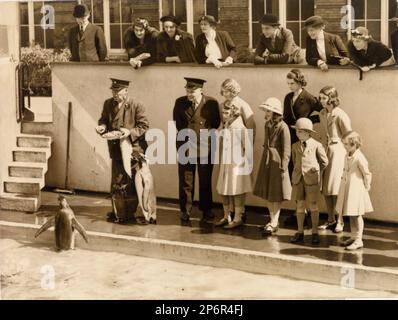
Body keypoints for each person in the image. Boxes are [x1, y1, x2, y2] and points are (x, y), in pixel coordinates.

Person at [95, 78, 149, 223]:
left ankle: (132, 212)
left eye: (117, 91)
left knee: (131, 181)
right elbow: (104, 120)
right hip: (116, 149)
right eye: (113, 91)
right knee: (116, 181)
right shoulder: (108, 104)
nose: (115, 94)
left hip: (133, 150)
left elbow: (143, 126)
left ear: (126, 91)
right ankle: (117, 211)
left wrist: (129, 133)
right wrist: (102, 127)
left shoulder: (136, 105)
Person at [173, 78, 221, 222]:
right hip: (186, 146)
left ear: (201, 90)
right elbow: (178, 123)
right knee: (186, 180)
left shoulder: (211, 103)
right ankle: (185, 210)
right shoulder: (180, 102)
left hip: (205, 146)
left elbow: (216, 123)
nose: (189, 94)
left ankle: (206, 209)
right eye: (187, 91)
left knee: (205, 179)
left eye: (192, 91)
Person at [253, 98, 292, 235]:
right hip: (267, 160)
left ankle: (275, 221)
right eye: (266, 110)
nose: (267, 113)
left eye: (269, 111)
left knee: (276, 194)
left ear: (275, 112)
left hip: (278, 162)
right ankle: (272, 220)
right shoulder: (267, 124)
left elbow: (287, 150)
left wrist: (284, 167)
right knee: (268, 193)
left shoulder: (283, 127)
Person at [317, 86, 352, 234]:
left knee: (336, 188)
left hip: (338, 153)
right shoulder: (322, 113)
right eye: (320, 98)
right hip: (327, 152)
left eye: (324, 98)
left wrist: (348, 157)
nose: (321, 101)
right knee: (326, 188)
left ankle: (340, 220)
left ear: (332, 98)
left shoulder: (340, 115)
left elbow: (349, 136)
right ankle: (330, 218)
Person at [289, 118, 329, 245]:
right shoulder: (295, 146)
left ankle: (314, 232)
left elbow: (324, 162)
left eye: (300, 131)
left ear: (307, 132)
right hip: (298, 179)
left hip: (311, 180)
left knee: (313, 205)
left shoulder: (316, 145)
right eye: (296, 131)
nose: (297, 134)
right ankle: (300, 232)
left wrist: (315, 171)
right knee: (300, 205)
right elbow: (295, 161)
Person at [215, 102, 253, 229]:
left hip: (237, 164)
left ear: (234, 114)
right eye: (223, 113)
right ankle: (227, 216)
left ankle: (237, 218)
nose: (224, 116)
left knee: (238, 190)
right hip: (226, 163)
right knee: (223, 190)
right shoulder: (226, 126)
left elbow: (248, 149)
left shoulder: (240, 128)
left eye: (226, 113)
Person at [336, 131, 373, 250]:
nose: (344, 146)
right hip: (348, 188)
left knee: (357, 215)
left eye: (346, 144)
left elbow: (366, 173)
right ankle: (354, 236)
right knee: (350, 213)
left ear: (354, 144)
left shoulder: (359, 157)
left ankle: (359, 240)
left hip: (356, 190)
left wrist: (366, 186)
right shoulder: (347, 155)